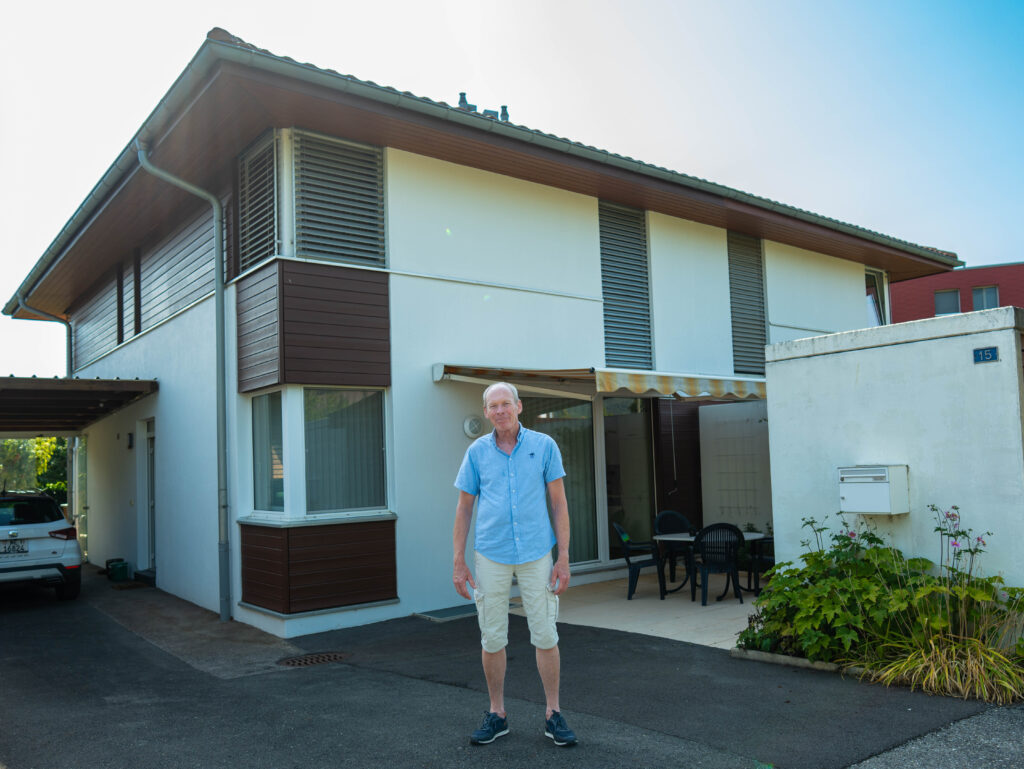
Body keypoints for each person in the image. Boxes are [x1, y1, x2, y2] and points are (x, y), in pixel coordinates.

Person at [452, 381, 577, 747]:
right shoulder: (476, 452)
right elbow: (464, 508)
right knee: (492, 637)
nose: (500, 410)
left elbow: (559, 503)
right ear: (486, 412)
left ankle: (553, 713)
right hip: (491, 554)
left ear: (519, 406)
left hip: (537, 553)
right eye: (493, 406)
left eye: (506, 403)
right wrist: (458, 561)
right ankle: (497, 714)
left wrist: (564, 557)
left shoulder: (544, 446)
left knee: (546, 634)